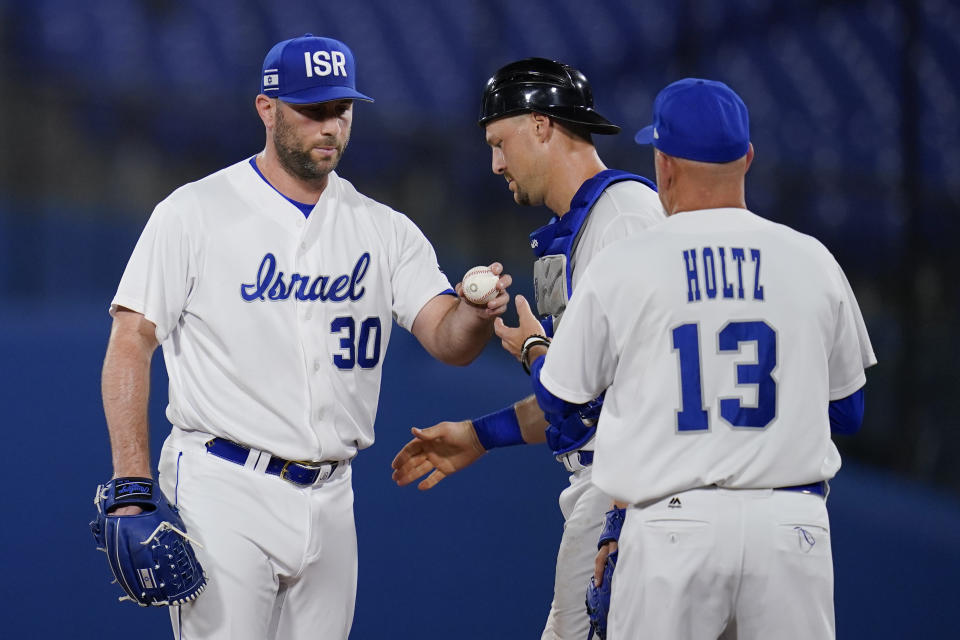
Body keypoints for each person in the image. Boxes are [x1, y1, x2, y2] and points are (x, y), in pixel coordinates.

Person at [99, 34, 511, 640]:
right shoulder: (194, 212)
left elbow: (447, 340)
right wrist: (130, 487)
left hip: (331, 493)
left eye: (341, 110)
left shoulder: (383, 228)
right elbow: (131, 339)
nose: (331, 126)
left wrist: (476, 314)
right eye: (312, 110)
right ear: (267, 109)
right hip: (225, 482)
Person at [494, 77, 877, 639]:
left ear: (664, 164)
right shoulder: (813, 260)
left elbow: (560, 397)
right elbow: (847, 413)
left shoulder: (628, 262)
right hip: (790, 529)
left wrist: (531, 346)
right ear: (747, 158)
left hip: (674, 528)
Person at [390, 58, 664, 639]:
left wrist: (534, 350)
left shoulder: (624, 219)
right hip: (606, 491)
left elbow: (642, 393)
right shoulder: (579, 228)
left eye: (499, 141)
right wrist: (478, 434)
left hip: (629, 498)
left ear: (542, 126)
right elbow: (578, 402)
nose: (494, 163)